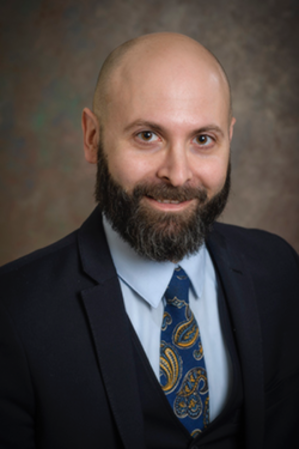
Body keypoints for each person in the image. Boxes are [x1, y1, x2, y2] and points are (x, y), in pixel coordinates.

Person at [0, 32, 298, 449]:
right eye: (147, 136)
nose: (177, 174)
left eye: (203, 139)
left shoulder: (279, 269)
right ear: (92, 137)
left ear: (229, 138)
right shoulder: (13, 312)